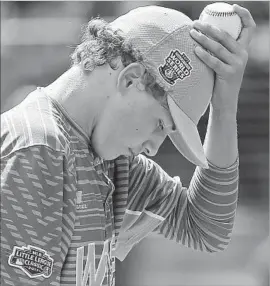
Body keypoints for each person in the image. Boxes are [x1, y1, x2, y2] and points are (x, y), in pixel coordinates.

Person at [0, 4, 256, 286]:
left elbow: (205, 228)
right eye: (161, 124)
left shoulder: (112, 161)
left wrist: (223, 108)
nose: (153, 148)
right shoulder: (40, 150)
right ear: (130, 78)